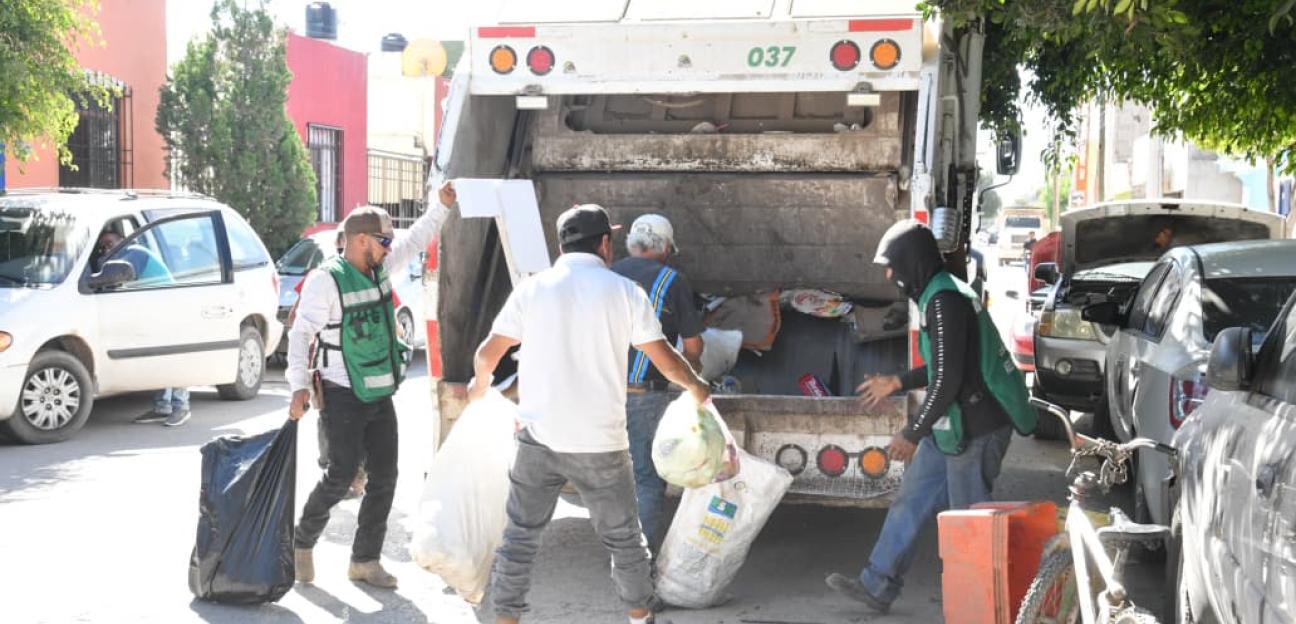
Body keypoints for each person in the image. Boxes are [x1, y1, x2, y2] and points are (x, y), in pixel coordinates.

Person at [469, 204, 711, 624]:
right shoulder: (623, 292)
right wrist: (697, 387)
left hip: (538, 439)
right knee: (624, 539)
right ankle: (639, 616)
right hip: (601, 443)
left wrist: (479, 384)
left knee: (520, 537)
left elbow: (489, 352)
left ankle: (506, 618)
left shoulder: (533, 288)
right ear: (604, 244)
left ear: (561, 244)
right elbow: (667, 359)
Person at [826, 221, 1030, 614]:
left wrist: (912, 433)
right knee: (911, 499)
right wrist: (897, 381)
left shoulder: (946, 302)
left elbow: (948, 381)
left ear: (913, 261)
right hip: (953, 423)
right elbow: (945, 368)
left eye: (893, 265)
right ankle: (877, 585)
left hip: (977, 427)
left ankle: (980, 609)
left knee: (970, 522)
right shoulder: (940, 295)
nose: (890, 274)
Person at [287, 182, 455, 588]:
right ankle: (301, 541)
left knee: (386, 476)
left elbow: (415, 241)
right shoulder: (327, 280)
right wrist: (298, 387)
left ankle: (364, 561)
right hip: (342, 394)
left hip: (380, 391)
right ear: (361, 239)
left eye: (388, 241)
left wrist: (442, 207)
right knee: (341, 476)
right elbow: (300, 334)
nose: (388, 247)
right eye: (383, 240)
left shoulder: (380, 267)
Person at [609, 213, 704, 555]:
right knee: (647, 480)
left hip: (599, 393)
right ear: (665, 248)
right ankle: (640, 567)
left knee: (608, 478)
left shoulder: (605, 276)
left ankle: (618, 552)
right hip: (642, 397)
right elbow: (692, 347)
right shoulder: (671, 281)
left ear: (631, 243)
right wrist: (693, 377)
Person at [91, 230, 192, 427]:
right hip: (153, 312)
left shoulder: (135, 253)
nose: (106, 249)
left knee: (172, 359)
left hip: (170, 310)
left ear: (122, 241)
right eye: (102, 247)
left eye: (110, 244)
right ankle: (162, 407)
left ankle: (181, 406)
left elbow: (116, 278)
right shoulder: (121, 257)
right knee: (157, 359)